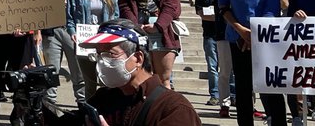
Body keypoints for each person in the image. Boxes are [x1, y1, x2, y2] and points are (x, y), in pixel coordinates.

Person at [46, 19, 201, 125]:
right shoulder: (104, 99)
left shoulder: (172, 109)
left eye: (110, 54)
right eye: (98, 55)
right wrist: (33, 101)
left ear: (138, 58)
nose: (102, 61)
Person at [218, 0, 285, 126]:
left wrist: (254, 35)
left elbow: (272, 9)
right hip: (237, 38)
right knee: (243, 87)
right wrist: (240, 29)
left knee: (270, 86)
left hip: (264, 38)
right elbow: (223, 6)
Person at [117, 0, 181, 90]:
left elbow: (171, 7)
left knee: (164, 78)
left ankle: (163, 108)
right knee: (142, 77)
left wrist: (158, 26)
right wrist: (135, 26)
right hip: (138, 32)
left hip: (162, 32)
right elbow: (124, 6)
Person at [65, 0, 116, 102]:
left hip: (104, 41)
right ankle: (91, 115)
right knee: (90, 83)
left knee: (107, 81)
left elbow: (115, 15)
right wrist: (72, 32)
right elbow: (69, 19)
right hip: (85, 42)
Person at [41, 0, 83, 106]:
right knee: (51, 73)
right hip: (51, 32)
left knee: (79, 74)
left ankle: (82, 106)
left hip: (71, 31)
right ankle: (49, 110)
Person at [193, 0, 227, 109]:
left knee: (227, 68)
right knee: (213, 67)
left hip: (224, 34)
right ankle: (214, 95)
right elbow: (201, 13)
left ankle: (232, 94)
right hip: (210, 35)